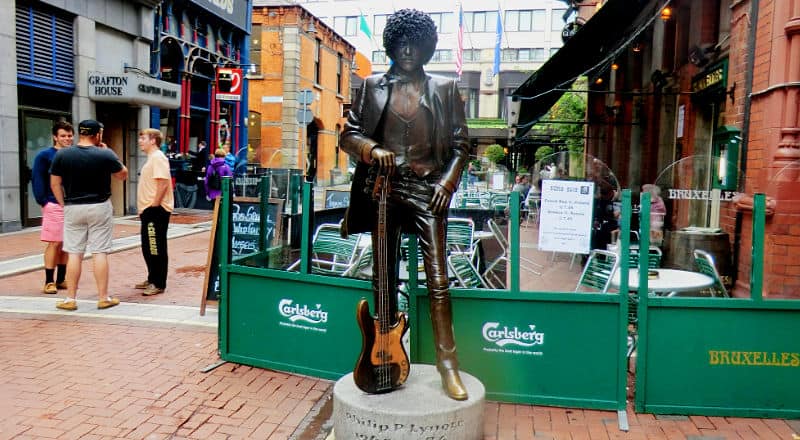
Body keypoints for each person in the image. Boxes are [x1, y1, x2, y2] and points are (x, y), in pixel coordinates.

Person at [341, 9, 470, 401]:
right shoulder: (370, 86)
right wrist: (371, 148)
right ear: (391, 45)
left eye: (415, 43)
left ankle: (449, 365)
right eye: (401, 43)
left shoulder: (445, 89)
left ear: (428, 46)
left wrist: (447, 182)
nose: (408, 50)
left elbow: (463, 145)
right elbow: (347, 135)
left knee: (438, 280)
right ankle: (384, 355)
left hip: (427, 189)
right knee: (382, 277)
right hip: (382, 190)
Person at [49, 119, 128, 311]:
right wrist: (109, 152)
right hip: (99, 206)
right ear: (97, 134)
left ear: (80, 133)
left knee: (74, 253)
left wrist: (64, 204)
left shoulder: (63, 154)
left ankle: (70, 299)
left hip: (73, 207)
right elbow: (122, 174)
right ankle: (103, 297)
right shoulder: (105, 154)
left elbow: (54, 183)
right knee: (99, 252)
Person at [32, 119, 73, 294]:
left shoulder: (74, 154)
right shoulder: (44, 156)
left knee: (67, 243)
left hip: (72, 205)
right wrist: (43, 201)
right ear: (55, 137)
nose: (67, 139)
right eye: (63, 136)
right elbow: (37, 178)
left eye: (70, 136)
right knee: (55, 242)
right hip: (53, 204)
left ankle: (61, 279)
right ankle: (49, 281)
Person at [133, 129, 175, 296]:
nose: (140, 141)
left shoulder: (158, 158)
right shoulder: (152, 158)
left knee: (155, 246)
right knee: (148, 246)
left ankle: (158, 283)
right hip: (149, 210)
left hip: (155, 210)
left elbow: (164, 183)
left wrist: (154, 206)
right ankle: (152, 278)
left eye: (143, 138)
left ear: (153, 140)